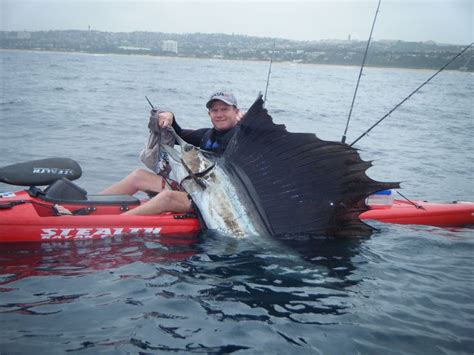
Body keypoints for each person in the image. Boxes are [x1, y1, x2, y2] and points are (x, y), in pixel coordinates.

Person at [100, 90, 243, 215]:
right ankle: (83, 205)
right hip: (195, 190)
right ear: (209, 114)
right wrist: (169, 116)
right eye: (215, 110)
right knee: (138, 176)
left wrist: (249, 125)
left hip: (221, 204)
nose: (219, 114)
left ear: (236, 112)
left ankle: (108, 225)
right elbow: (177, 135)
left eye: (224, 109)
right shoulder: (206, 135)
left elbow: (264, 137)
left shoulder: (243, 136)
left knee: (167, 198)